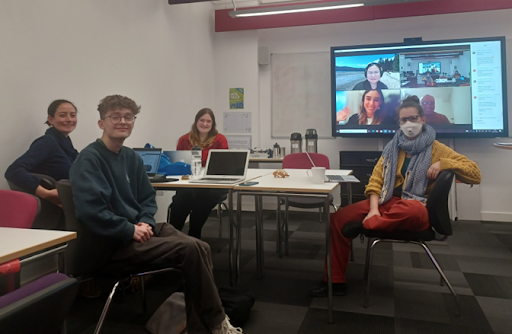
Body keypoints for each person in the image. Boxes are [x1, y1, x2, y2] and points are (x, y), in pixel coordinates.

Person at [69, 95, 241, 334]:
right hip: (110, 243)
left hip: (135, 230)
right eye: (115, 117)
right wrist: (131, 229)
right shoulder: (89, 159)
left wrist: (145, 221)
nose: (123, 121)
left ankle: (203, 324)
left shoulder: (130, 157)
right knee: (190, 249)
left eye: (128, 117)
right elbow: (92, 213)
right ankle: (215, 324)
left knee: (201, 246)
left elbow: (147, 198)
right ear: (102, 123)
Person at [310, 95, 481, 297]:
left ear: (423, 120)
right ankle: (335, 281)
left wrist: (445, 163)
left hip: (416, 205)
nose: (409, 124)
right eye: (404, 120)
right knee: (337, 220)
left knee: (412, 209)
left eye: (413, 118)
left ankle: (366, 225)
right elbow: (375, 181)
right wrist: (373, 209)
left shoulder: (437, 149)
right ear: (399, 122)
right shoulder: (392, 148)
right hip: (386, 201)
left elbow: (475, 174)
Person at [5, 99, 78, 206]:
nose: (69, 119)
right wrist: (45, 193)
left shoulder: (67, 146)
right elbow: (13, 171)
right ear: (50, 119)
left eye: (73, 115)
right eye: (63, 115)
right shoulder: (47, 143)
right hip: (59, 210)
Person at [170, 108, 229, 239]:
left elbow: (223, 165)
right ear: (196, 121)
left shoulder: (219, 139)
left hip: (211, 185)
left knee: (201, 203)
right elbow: (179, 163)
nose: (205, 124)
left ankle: (194, 236)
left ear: (213, 124)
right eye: (202, 120)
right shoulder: (184, 139)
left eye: (208, 121)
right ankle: (173, 238)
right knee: (179, 203)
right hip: (189, 183)